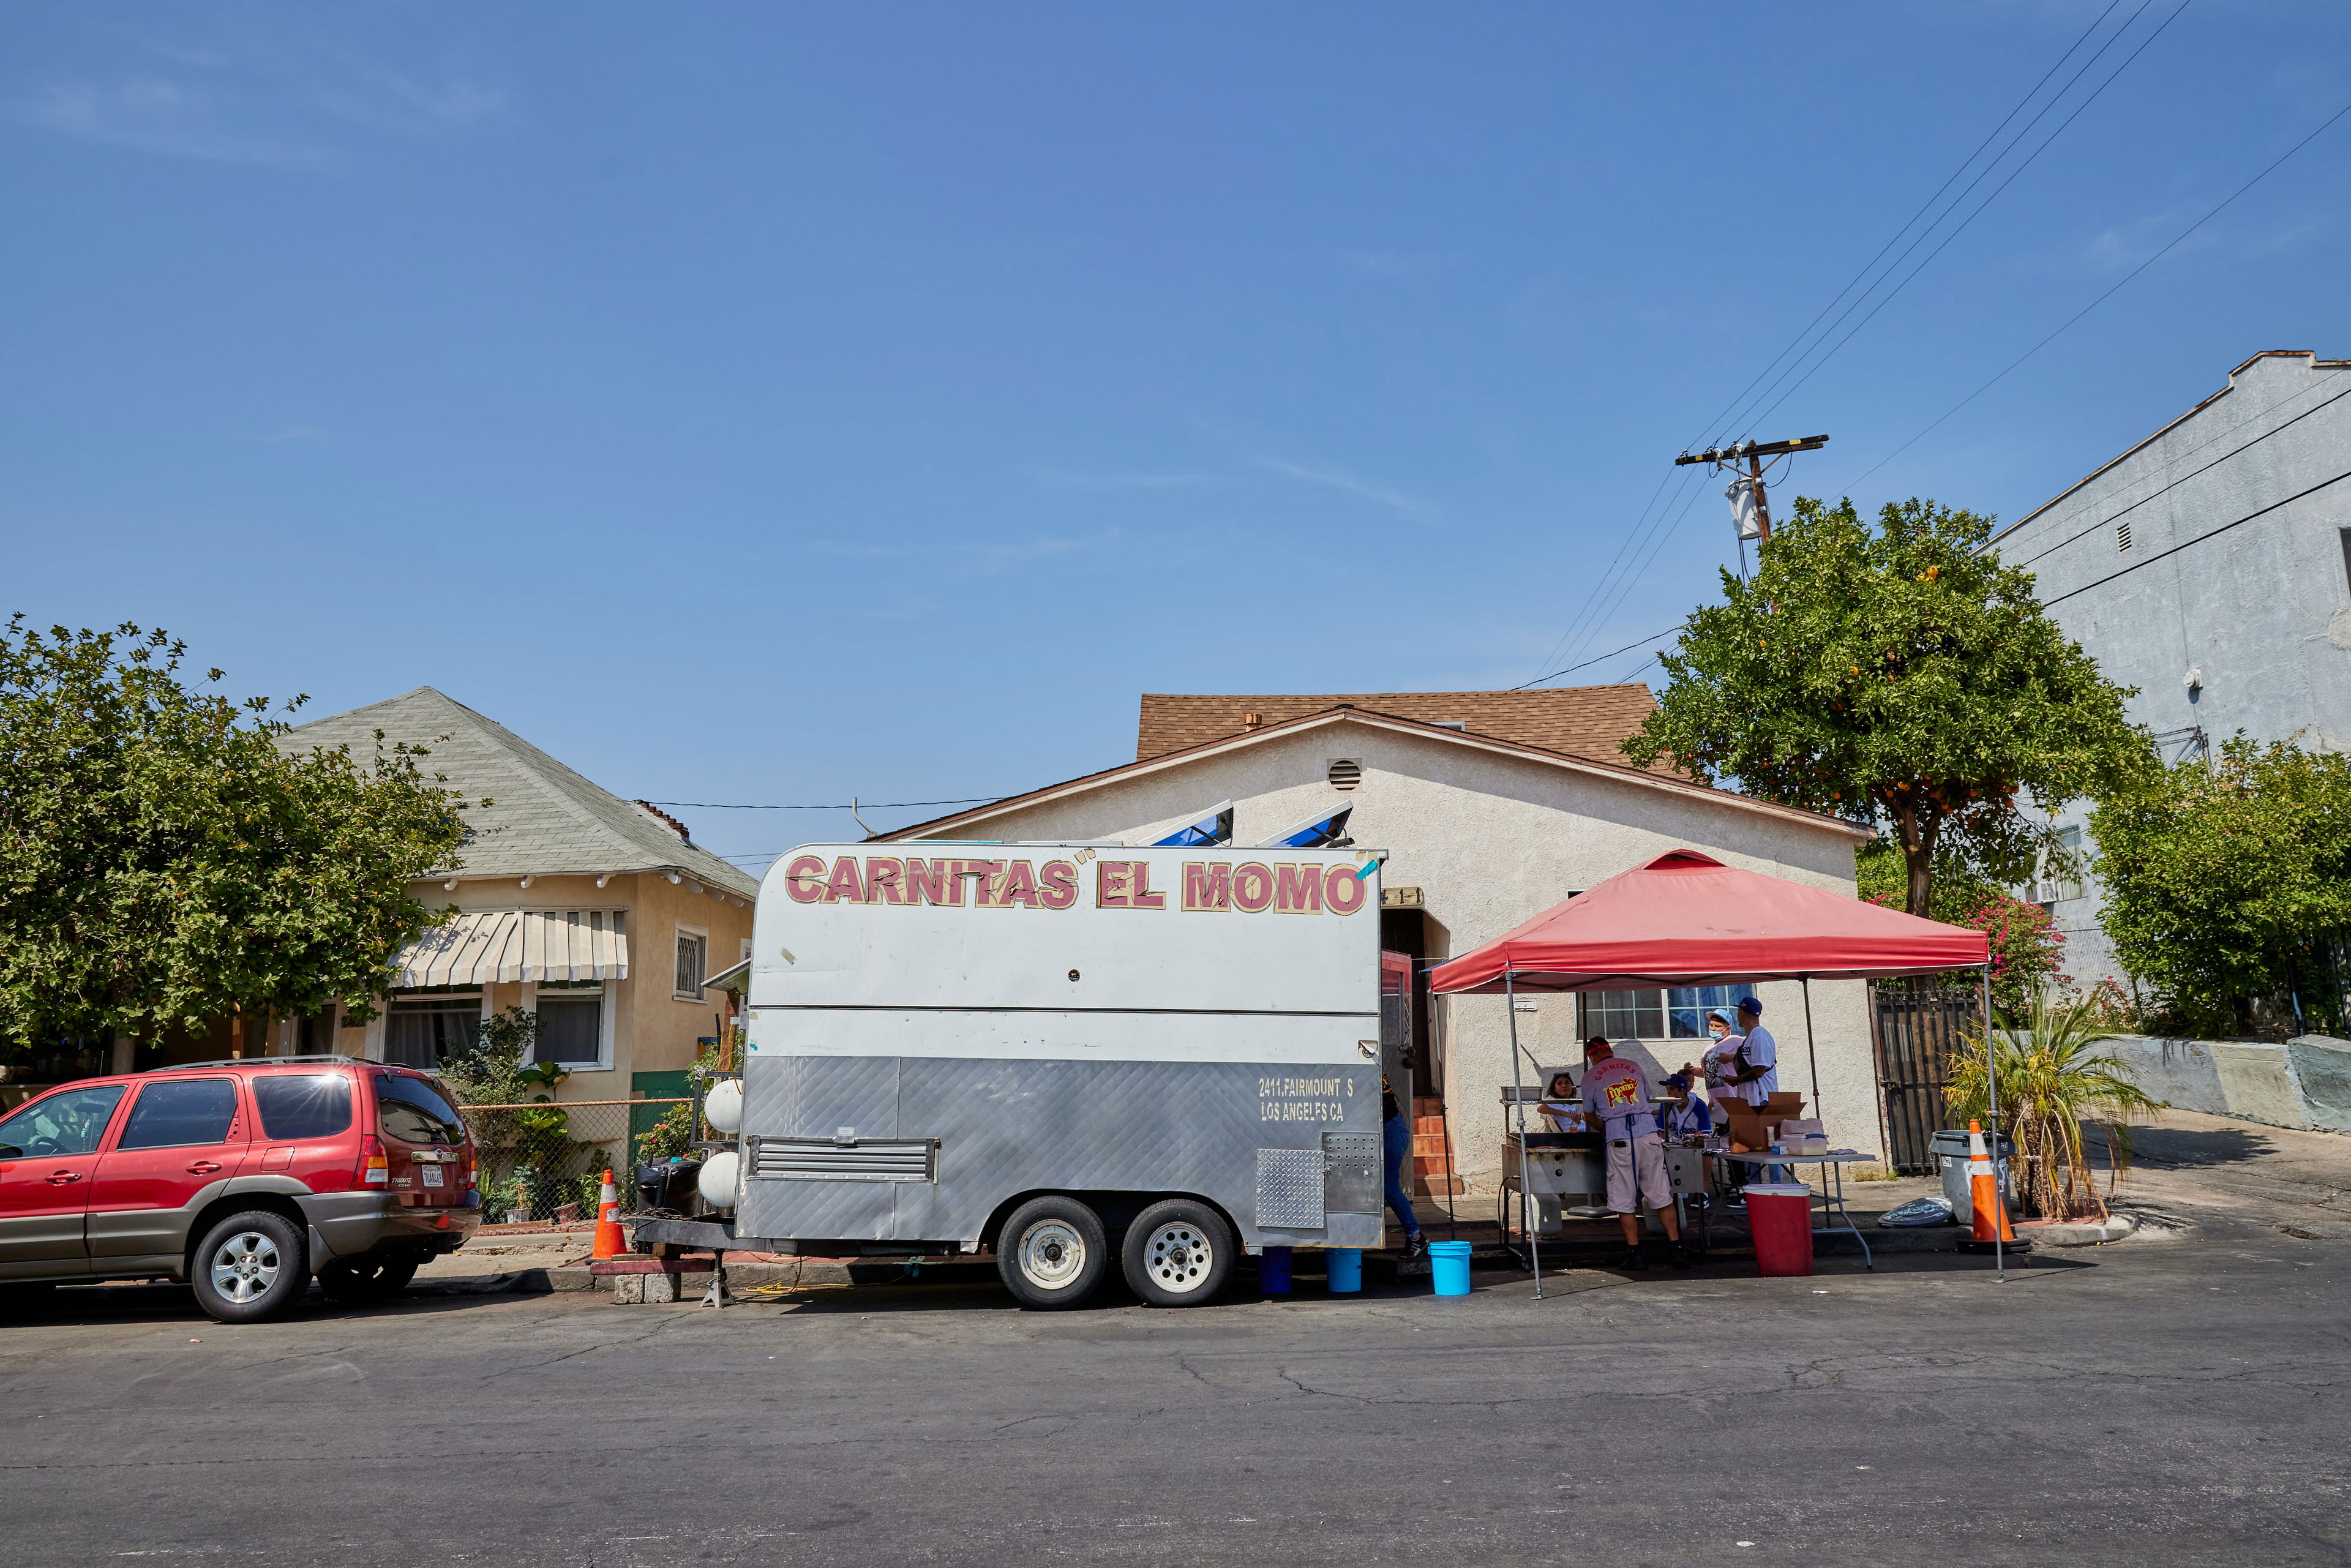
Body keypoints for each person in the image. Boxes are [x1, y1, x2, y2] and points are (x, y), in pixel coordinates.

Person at [1578, 1038, 1692, 1270]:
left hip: (1619, 1138)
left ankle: (1635, 1254)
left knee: (1624, 1200)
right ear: (1609, 1050)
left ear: (1591, 1056)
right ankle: (1677, 1249)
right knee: (1661, 1196)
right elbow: (1647, 1096)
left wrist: (1606, 1129)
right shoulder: (1633, 1066)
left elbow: (1589, 1115)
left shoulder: (1590, 1077)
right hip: (1648, 1134)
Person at [1381, 1074, 1431, 1276]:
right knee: (1388, 1188)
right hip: (1391, 1129)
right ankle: (1416, 1237)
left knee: (1390, 1189)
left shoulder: (1370, 1073)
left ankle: (1416, 1237)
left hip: (1391, 1130)